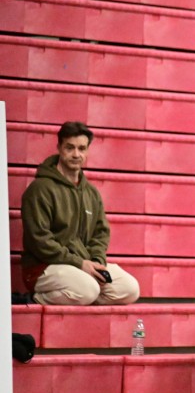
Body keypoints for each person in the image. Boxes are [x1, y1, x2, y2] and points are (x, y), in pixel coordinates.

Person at [20, 121, 140, 305]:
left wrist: (96, 261)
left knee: (129, 289)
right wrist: (79, 263)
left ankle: (80, 296)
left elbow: (100, 233)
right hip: (43, 266)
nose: (76, 154)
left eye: (82, 148)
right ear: (59, 147)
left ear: (87, 151)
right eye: (70, 148)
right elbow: (39, 241)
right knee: (88, 289)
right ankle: (35, 299)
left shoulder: (91, 192)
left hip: (82, 265)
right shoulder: (40, 189)